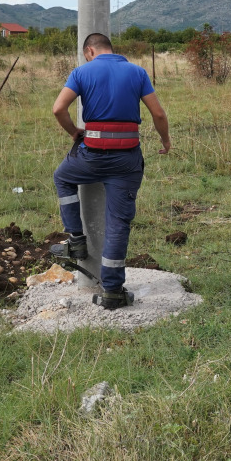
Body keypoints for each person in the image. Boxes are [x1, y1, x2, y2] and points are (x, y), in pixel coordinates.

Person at [50, 32, 171, 309]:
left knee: (62, 177)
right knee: (118, 224)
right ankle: (113, 292)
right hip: (127, 161)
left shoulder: (81, 72)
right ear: (111, 49)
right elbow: (159, 114)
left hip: (90, 157)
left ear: (89, 51)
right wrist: (165, 140)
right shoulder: (137, 72)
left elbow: (59, 109)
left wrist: (73, 133)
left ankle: (76, 240)